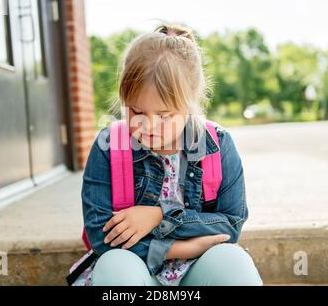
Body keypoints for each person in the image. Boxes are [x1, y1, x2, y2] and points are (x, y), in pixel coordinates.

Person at [70, 24, 263, 286]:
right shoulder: (108, 146)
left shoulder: (218, 144)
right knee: (114, 266)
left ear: (190, 102)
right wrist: (178, 249)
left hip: (197, 272)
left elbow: (230, 224)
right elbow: (101, 235)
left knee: (232, 262)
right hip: (136, 270)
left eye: (164, 115)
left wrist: (159, 215)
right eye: (136, 111)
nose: (148, 126)